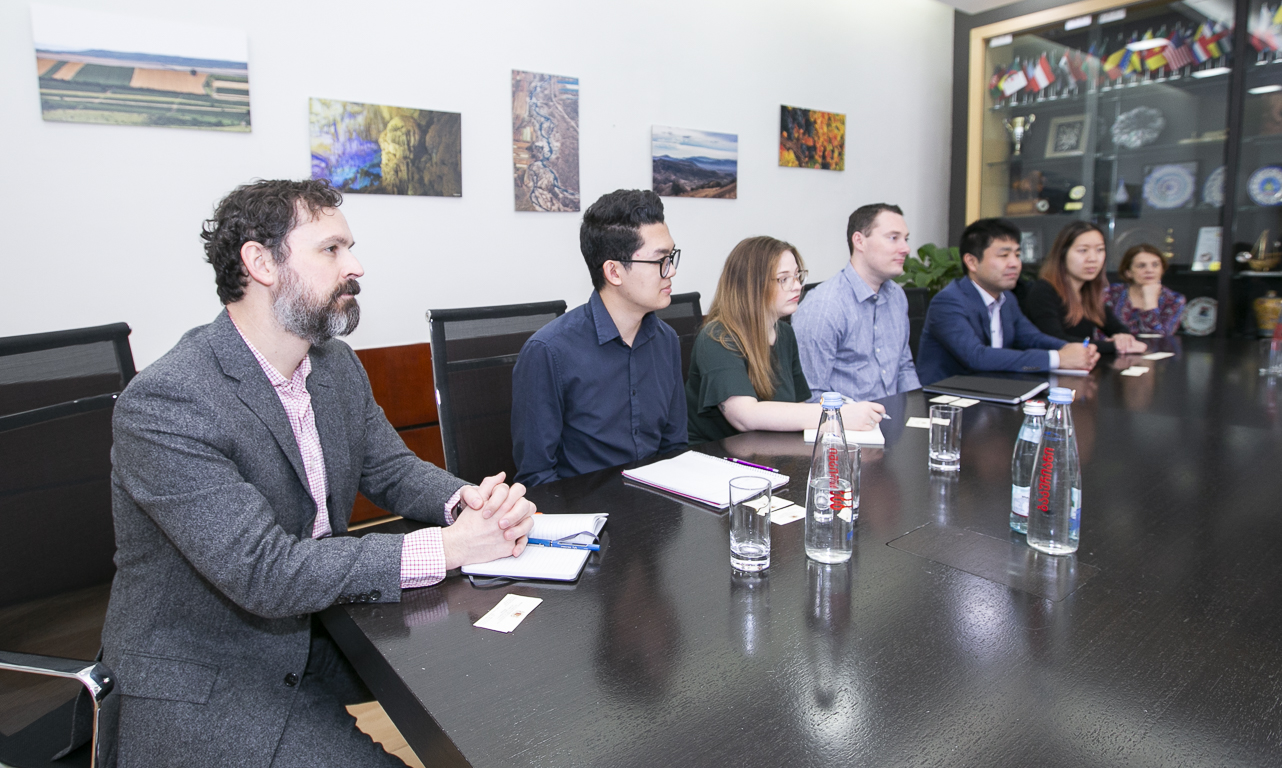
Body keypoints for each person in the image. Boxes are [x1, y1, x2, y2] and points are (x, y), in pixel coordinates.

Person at [102, 179, 537, 767]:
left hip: (318, 628)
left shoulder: (333, 365)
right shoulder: (168, 401)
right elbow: (264, 572)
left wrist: (468, 504)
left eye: (349, 248)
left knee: (498, 673)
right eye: (331, 249)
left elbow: (391, 468)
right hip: (210, 676)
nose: (355, 266)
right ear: (261, 263)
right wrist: (449, 547)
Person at [512, 189, 687, 486]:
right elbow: (537, 475)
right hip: (582, 510)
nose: (671, 271)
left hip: (657, 504)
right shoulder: (549, 352)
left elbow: (675, 448)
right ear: (614, 272)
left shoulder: (666, 340)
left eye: (671, 257)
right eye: (660, 260)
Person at [685, 236, 886, 444]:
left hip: (769, 448)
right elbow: (744, 416)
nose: (797, 286)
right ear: (751, 285)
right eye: (784, 279)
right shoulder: (717, 337)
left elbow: (798, 407)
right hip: (715, 454)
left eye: (797, 276)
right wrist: (835, 414)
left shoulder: (785, 333)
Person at [917, 218, 1099, 385]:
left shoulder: (1007, 299)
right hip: (947, 399)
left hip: (994, 390)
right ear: (972, 262)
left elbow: (1032, 338)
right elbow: (977, 357)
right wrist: (1059, 358)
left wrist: (1071, 349)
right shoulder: (948, 301)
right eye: (1004, 256)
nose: (1014, 263)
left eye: (1017, 255)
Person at [792, 203, 921, 401]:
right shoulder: (824, 307)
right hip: (844, 419)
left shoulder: (897, 296)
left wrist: (919, 412)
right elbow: (810, 395)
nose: (906, 248)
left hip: (895, 416)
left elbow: (904, 368)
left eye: (906, 239)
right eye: (893, 238)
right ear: (859, 241)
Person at [1019, 221, 1147, 355]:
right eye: (1083, 250)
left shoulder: (1087, 291)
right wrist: (1114, 346)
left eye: (1099, 250)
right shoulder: (1043, 291)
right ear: (1062, 254)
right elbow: (1056, 341)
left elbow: (1117, 328)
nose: (1093, 258)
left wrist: (1123, 339)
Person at [1105, 244, 1187, 336]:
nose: (1149, 270)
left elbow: (1160, 338)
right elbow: (1100, 333)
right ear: (1128, 272)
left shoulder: (1174, 300)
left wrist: (1150, 303)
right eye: (1141, 266)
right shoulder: (1111, 293)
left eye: (1155, 265)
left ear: (1162, 269)